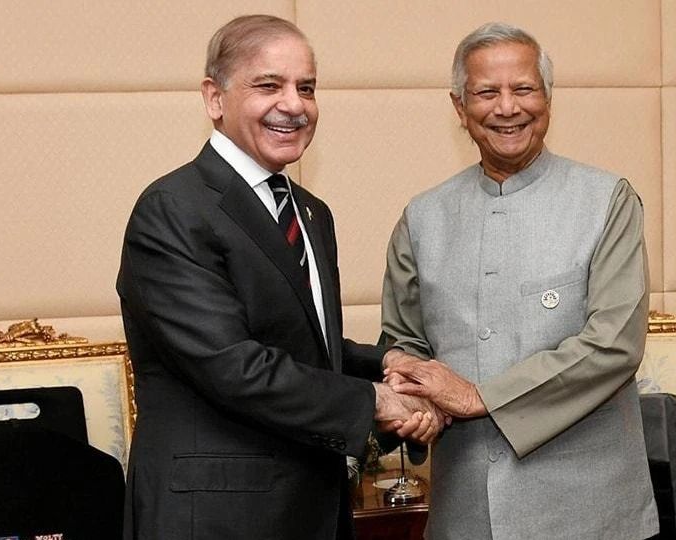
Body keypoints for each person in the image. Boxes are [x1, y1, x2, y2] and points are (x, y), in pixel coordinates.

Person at [116, 15, 442, 540]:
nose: (294, 105)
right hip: (216, 518)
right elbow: (232, 365)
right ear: (214, 98)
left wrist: (387, 364)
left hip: (310, 505)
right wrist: (377, 400)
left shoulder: (310, 212)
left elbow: (299, 345)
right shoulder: (173, 209)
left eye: (306, 88)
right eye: (269, 85)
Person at [380, 22, 660, 539]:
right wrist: (413, 401)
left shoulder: (607, 201)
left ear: (548, 98)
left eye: (524, 88)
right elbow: (405, 343)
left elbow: (614, 344)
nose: (507, 107)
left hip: (590, 514)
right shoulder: (422, 218)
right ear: (459, 106)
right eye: (487, 92)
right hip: (464, 510)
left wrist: (479, 398)